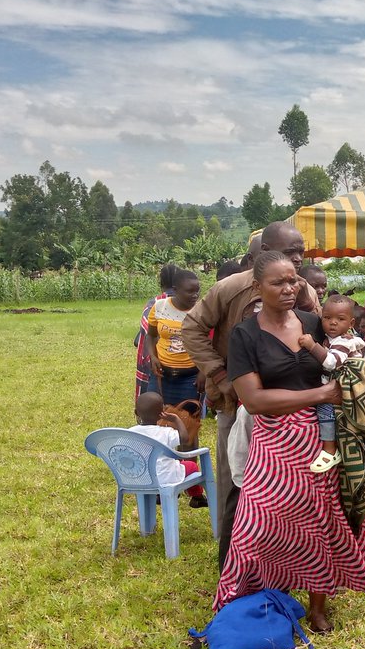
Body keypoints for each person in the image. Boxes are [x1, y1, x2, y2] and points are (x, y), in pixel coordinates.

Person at [216, 251, 365, 633]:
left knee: (320, 522)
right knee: (258, 521)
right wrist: (320, 396)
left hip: (320, 439)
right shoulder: (244, 335)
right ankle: (254, 597)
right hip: (274, 438)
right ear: (257, 287)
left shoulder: (313, 322)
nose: (290, 288)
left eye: (293, 279)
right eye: (278, 282)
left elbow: (338, 364)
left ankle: (318, 605)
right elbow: (255, 400)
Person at [181, 221, 319, 570]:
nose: (298, 259)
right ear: (261, 252)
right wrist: (219, 373)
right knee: (237, 483)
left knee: (292, 490)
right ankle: (231, 563)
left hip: (295, 414)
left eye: (301, 252)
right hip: (239, 402)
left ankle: (282, 561)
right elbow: (192, 327)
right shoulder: (229, 289)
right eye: (289, 252)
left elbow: (314, 342)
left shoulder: (303, 292)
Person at [297, 295, 363, 473]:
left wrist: (312, 346)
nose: (333, 323)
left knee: (325, 411)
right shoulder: (331, 338)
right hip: (336, 386)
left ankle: (329, 450)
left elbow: (332, 362)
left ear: (351, 323)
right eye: (327, 318)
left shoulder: (344, 341)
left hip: (346, 390)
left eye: (340, 319)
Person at [129, 391, 207, 510]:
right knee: (191, 466)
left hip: (140, 478)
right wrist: (176, 420)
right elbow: (185, 439)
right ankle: (197, 497)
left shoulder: (130, 432)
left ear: (136, 412)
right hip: (166, 477)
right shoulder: (166, 432)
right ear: (162, 413)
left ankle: (160, 495)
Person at [145, 269, 203, 406]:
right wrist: (153, 357)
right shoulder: (160, 306)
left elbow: (209, 344)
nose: (195, 295)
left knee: (185, 420)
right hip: (160, 375)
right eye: (190, 291)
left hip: (190, 378)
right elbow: (151, 335)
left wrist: (203, 372)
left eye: (197, 291)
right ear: (175, 290)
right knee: (154, 415)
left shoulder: (201, 311)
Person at [134, 263, 177, 403]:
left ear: (161, 282)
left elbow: (146, 332)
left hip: (155, 362)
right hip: (182, 364)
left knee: (154, 406)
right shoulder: (188, 302)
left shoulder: (153, 303)